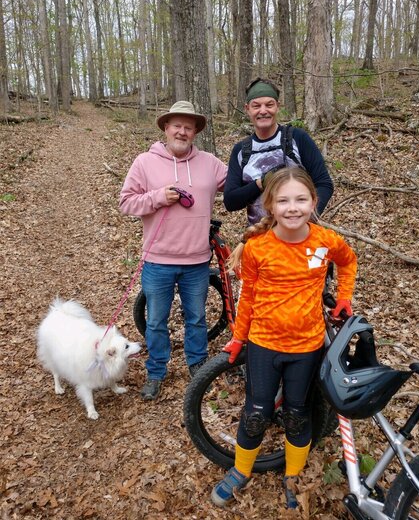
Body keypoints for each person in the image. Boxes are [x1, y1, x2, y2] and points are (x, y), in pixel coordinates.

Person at [211, 166, 357, 509]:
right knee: (256, 413)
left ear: (314, 201)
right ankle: (240, 470)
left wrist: (345, 296)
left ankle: (292, 475)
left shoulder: (325, 240)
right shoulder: (258, 247)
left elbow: (348, 261)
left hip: (307, 347)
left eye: (301, 199)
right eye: (284, 200)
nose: (293, 207)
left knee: (297, 414)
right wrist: (238, 338)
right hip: (264, 344)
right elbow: (246, 299)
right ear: (270, 206)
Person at [119, 101, 227, 401]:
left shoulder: (210, 163)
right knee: (155, 321)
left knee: (196, 319)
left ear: (195, 132)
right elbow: (126, 202)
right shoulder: (144, 162)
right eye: (176, 125)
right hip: (158, 261)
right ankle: (156, 371)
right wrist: (156, 197)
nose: (182, 131)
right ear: (166, 128)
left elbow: (236, 184)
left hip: (197, 261)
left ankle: (198, 367)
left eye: (188, 127)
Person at [224, 77, 334, 225]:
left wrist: (307, 219)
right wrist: (260, 184)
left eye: (269, 105)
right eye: (256, 106)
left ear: (277, 106)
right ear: (247, 109)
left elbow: (324, 183)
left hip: (300, 237)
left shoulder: (297, 138)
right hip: (261, 240)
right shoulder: (241, 151)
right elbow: (231, 202)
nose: (263, 111)